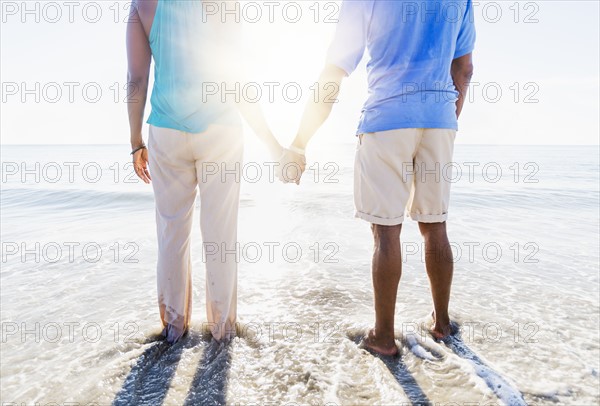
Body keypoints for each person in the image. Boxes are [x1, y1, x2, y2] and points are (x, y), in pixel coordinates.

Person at [279, 0, 476, 356]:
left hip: (386, 119)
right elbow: (463, 69)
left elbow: (333, 74)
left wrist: (299, 141)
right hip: (439, 121)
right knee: (436, 225)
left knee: (387, 232)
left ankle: (383, 337)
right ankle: (442, 325)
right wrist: (447, 117)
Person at [126, 0, 283, 343]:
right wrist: (272, 144)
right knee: (221, 236)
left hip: (167, 130)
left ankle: (173, 329)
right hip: (220, 129)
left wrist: (136, 142)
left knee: (172, 234)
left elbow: (137, 78)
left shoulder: (143, 5)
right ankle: (223, 332)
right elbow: (237, 78)